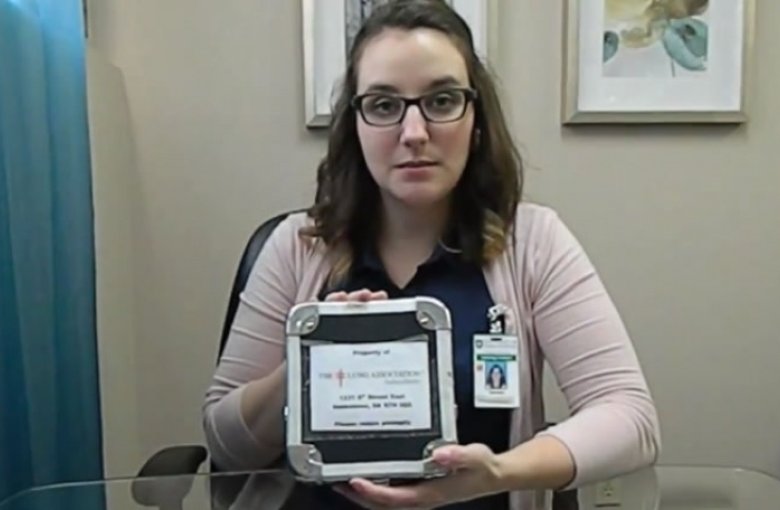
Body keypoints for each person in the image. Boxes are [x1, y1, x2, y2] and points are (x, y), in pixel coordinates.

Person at [202, 1, 661, 508]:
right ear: (355, 127)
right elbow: (226, 443)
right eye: (383, 105)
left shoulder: (534, 242)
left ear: (476, 120)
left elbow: (630, 418)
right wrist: (304, 363)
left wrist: (499, 472)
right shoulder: (295, 246)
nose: (414, 133)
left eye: (441, 101)